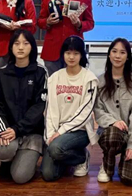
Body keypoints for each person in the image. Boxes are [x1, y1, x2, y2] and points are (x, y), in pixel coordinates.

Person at [0, 29, 47, 184]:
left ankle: (20, 158)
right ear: (11, 47)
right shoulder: (2, 73)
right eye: (16, 43)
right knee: (4, 151)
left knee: (20, 177)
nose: (21, 47)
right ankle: (8, 158)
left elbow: (39, 107)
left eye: (25, 43)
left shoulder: (41, 72)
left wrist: (18, 129)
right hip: (7, 130)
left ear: (32, 47)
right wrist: (3, 130)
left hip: (31, 133)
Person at [42, 36, 98, 182]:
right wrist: (50, 136)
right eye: (68, 53)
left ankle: (82, 157)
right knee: (48, 174)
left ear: (82, 55)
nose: (71, 57)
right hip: (57, 131)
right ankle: (64, 155)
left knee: (55, 149)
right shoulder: (54, 78)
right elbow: (50, 110)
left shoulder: (89, 79)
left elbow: (85, 113)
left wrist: (61, 132)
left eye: (76, 53)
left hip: (80, 130)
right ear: (63, 54)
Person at [94, 38, 132, 185]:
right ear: (109, 54)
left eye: (122, 52)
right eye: (114, 51)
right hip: (110, 133)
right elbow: (97, 109)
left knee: (130, 179)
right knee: (112, 134)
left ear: (128, 57)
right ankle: (107, 165)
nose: (117, 56)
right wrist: (113, 122)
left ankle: (126, 157)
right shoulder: (100, 81)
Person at [37, 0, 94, 76]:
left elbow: (90, 23)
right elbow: (40, 21)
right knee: (53, 82)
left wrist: (79, 24)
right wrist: (48, 22)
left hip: (74, 49)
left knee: (75, 81)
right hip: (52, 49)